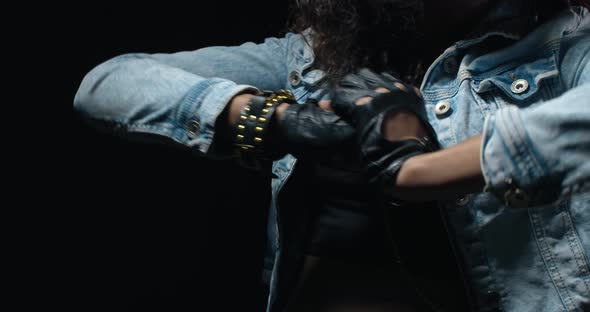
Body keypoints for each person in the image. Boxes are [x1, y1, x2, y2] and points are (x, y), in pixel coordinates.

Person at [74, 0, 590, 311]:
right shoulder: (312, 58)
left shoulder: (567, 46)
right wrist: (276, 121)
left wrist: (413, 170)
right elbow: (108, 84)